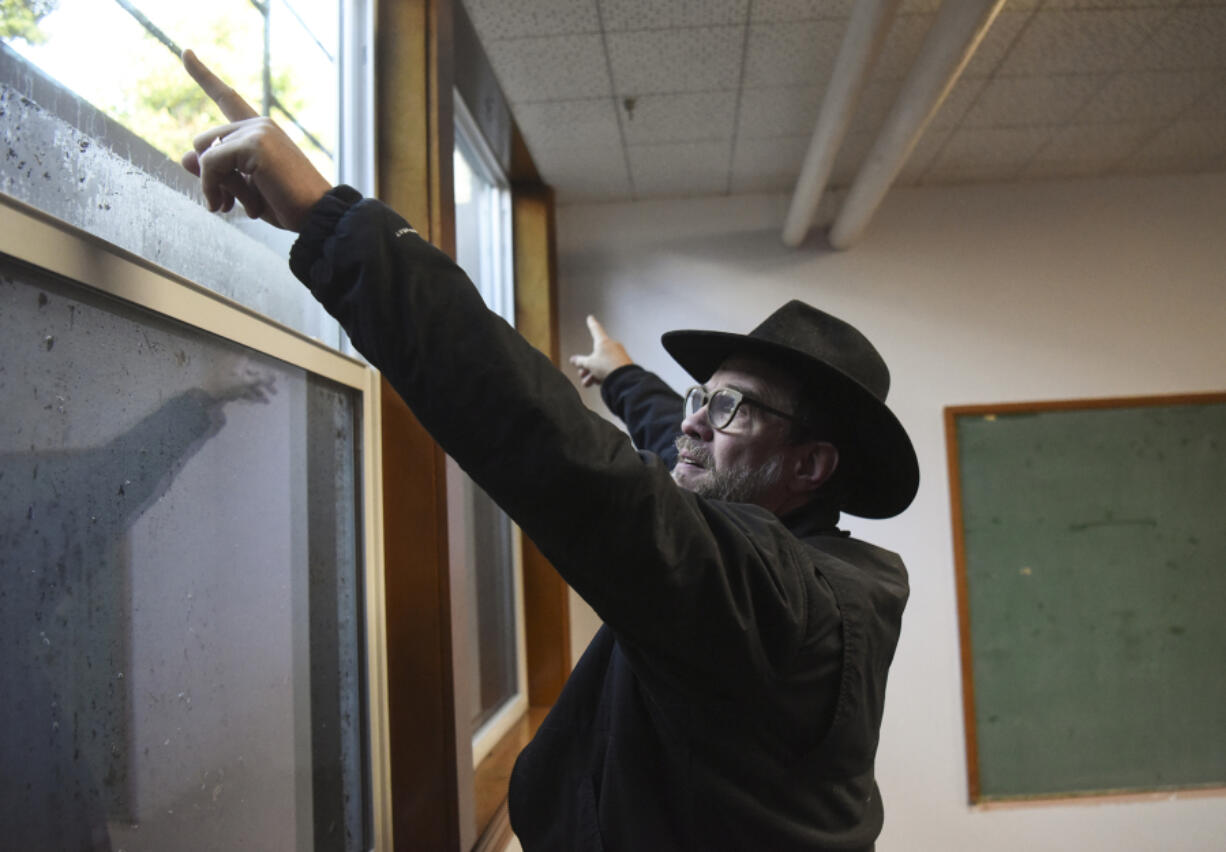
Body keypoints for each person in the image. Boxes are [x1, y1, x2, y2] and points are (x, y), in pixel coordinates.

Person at [177, 49, 919, 851]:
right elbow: (680, 444)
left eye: (729, 406)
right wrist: (627, 378)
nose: (699, 419)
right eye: (702, 394)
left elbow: (578, 470)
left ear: (809, 467)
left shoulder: (784, 609)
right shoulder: (774, 541)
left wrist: (332, 223)